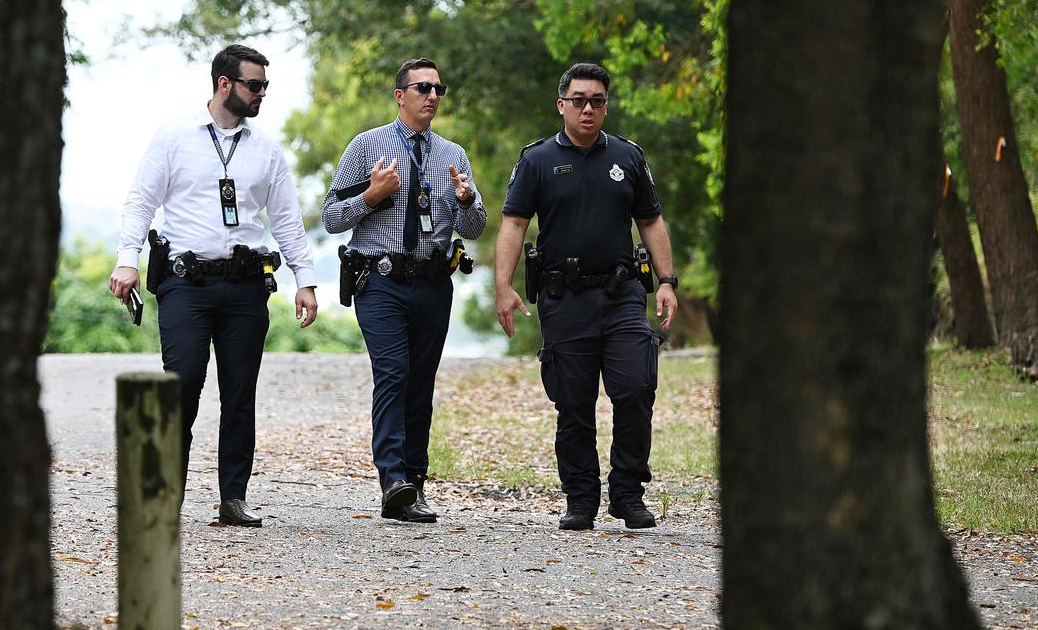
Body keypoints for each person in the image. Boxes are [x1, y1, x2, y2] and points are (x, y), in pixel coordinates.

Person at [109, 43, 318, 528]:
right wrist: (127, 261)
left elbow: (286, 219)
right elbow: (141, 202)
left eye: (265, 85)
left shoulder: (265, 148)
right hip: (186, 283)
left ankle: (233, 498)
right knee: (182, 387)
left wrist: (304, 280)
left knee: (240, 393)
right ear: (225, 84)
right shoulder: (174, 137)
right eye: (254, 85)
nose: (262, 93)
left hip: (245, 286)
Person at [494, 62, 677, 531]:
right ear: (562, 105)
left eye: (597, 100)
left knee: (637, 388)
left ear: (606, 105)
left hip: (621, 297)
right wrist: (503, 286)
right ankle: (581, 498)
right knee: (573, 404)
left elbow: (651, 221)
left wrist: (668, 282)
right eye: (579, 100)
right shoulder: (536, 161)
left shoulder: (628, 157)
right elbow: (513, 223)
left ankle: (628, 494)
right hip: (564, 299)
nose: (588, 109)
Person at [322, 58, 486, 523]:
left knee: (421, 382)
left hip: (433, 283)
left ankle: (414, 481)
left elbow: (475, 227)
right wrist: (371, 196)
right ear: (400, 95)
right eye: (422, 88)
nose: (432, 96)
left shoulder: (453, 154)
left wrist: (467, 200)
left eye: (439, 89)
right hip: (381, 282)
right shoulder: (366, 146)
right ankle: (392, 477)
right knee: (393, 372)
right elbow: (332, 218)